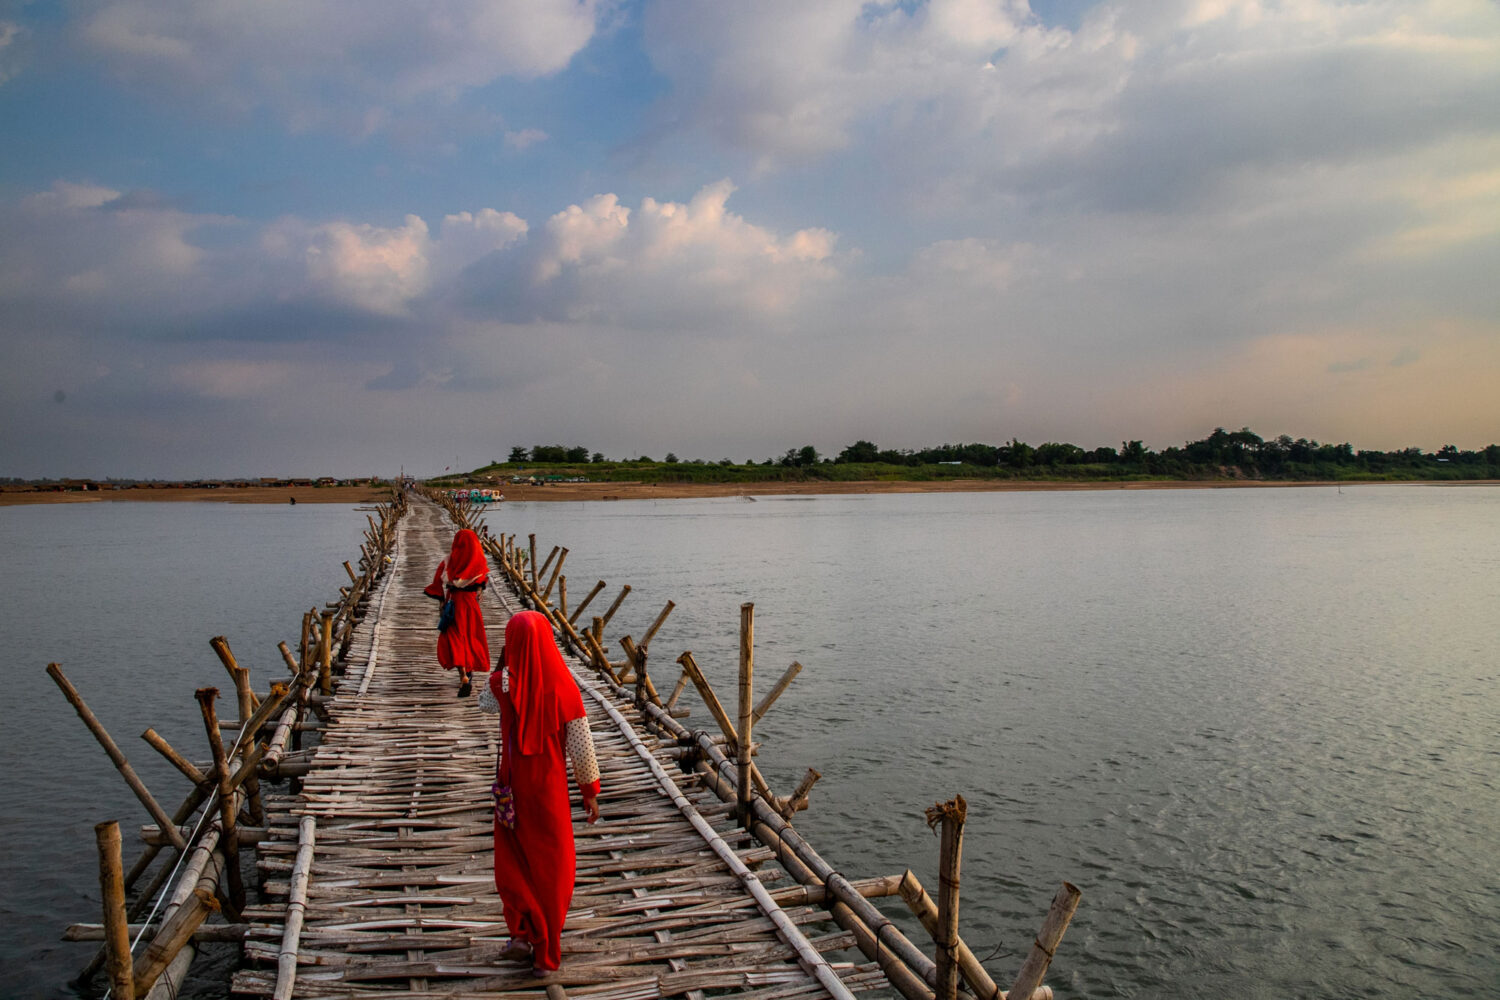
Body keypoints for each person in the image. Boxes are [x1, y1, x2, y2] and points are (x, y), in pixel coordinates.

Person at [477, 610, 601, 977]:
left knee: (513, 859)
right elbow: (582, 747)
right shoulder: (563, 687)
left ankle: (520, 932)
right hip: (548, 792)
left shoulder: (501, 683)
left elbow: (484, 704)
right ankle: (547, 951)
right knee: (553, 865)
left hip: (511, 787)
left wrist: (504, 666)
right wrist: (589, 791)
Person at [423, 527, 491, 696]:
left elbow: (437, 583)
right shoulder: (478, 562)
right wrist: (479, 590)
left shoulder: (448, 561)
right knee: (470, 636)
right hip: (470, 604)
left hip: (453, 602)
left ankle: (463, 674)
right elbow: (482, 581)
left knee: (453, 637)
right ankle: (468, 671)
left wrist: (441, 602)